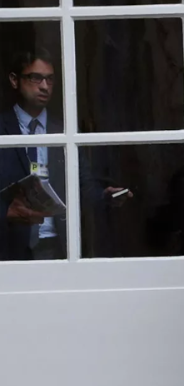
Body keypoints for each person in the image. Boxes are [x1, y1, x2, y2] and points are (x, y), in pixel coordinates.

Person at [0, 47, 133, 261]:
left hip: (56, 245)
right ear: (15, 80)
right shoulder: (2, 129)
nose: (45, 86)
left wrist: (105, 195)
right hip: (7, 246)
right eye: (36, 78)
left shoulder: (64, 132)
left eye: (50, 79)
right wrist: (5, 212)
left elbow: (83, 185)